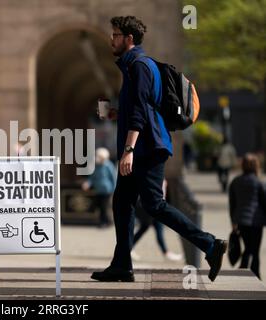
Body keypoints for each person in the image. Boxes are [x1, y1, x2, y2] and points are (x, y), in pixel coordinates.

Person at [91, 16, 227, 283]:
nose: (111, 39)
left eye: (116, 35)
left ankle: (210, 244)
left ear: (129, 39)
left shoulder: (140, 67)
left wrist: (128, 149)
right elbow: (140, 109)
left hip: (148, 149)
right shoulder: (135, 66)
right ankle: (122, 265)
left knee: (154, 205)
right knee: (122, 203)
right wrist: (116, 113)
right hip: (144, 146)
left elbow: (141, 112)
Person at [229, 153, 266, 279]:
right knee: (254, 250)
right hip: (257, 222)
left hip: (241, 221)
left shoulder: (235, 182)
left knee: (248, 247)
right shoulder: (259, 183)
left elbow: (232, 204)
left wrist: (233, 222)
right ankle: (254, 273)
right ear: (256, 166)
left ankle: (244, 269)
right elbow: (264, 203)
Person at [131, 180, 183, 262]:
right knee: (157, 230)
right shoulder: (154, 176)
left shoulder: (159, 175)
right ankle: (166, 252)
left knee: (145, 229)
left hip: (155, 208)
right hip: (154, 208)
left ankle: (129, 248)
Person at [82, 148, 117, 228]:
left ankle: (106, 222)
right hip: (98, 190)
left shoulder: (109, 165)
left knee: (105, 206)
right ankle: (103, 221)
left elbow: (113, 177)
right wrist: (88, 183)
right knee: (99, 206)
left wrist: (115, 189)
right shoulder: (96, 166)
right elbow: (92, 177)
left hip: (107, 190)